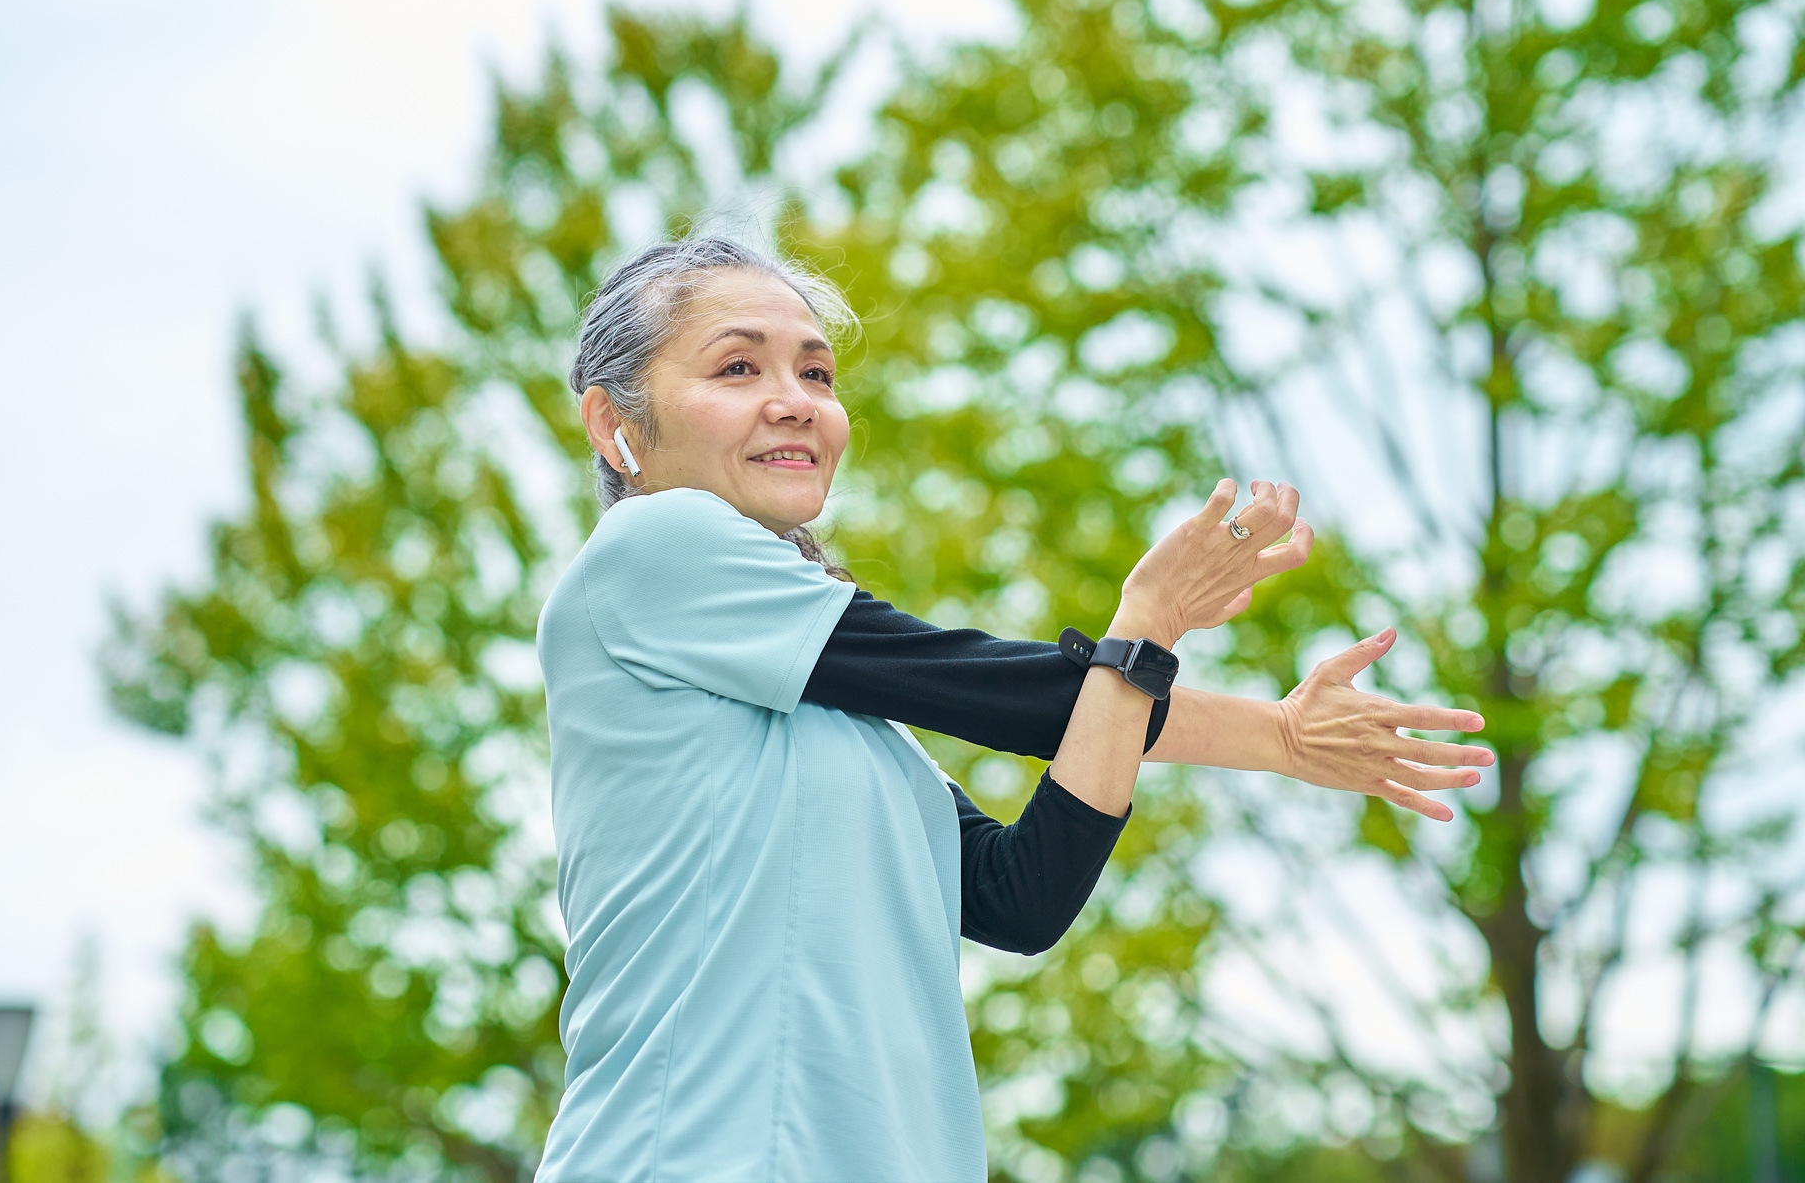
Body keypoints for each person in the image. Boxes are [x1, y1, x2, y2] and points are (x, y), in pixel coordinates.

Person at [534, 236, 1493, 1181]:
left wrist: (1214, 697)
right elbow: (992, 690)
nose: (796, 401)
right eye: (738, 365)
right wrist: (1179, 656)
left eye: (818, 373)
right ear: (615, 422)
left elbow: (1019, 895)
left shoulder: (864, 732)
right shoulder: (649, 548)